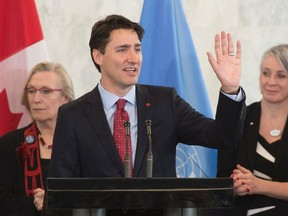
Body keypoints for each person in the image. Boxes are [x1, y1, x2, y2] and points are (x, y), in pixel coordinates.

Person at [49, 14, 246, 216]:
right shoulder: (73, 115)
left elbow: (222, 136)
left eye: (137, 49)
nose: (133, 58)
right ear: (98, 56)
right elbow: (61, 192)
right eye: (122, 49)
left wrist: (230, 90)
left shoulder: (165, 102)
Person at [212, 44, 288, 216]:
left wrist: (258, 185)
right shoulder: (239, 118)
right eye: (266, 73)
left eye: (281, 75)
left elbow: (256, 184)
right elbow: (222, 181)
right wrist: (234, 188)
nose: (271, 82)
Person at [0, 62, 74, 216]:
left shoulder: (82, 143)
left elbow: (97, 196)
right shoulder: (9, 144)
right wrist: (35, 203)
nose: (36, 99)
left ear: (66, 97)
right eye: (31, 91)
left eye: (46, 91)